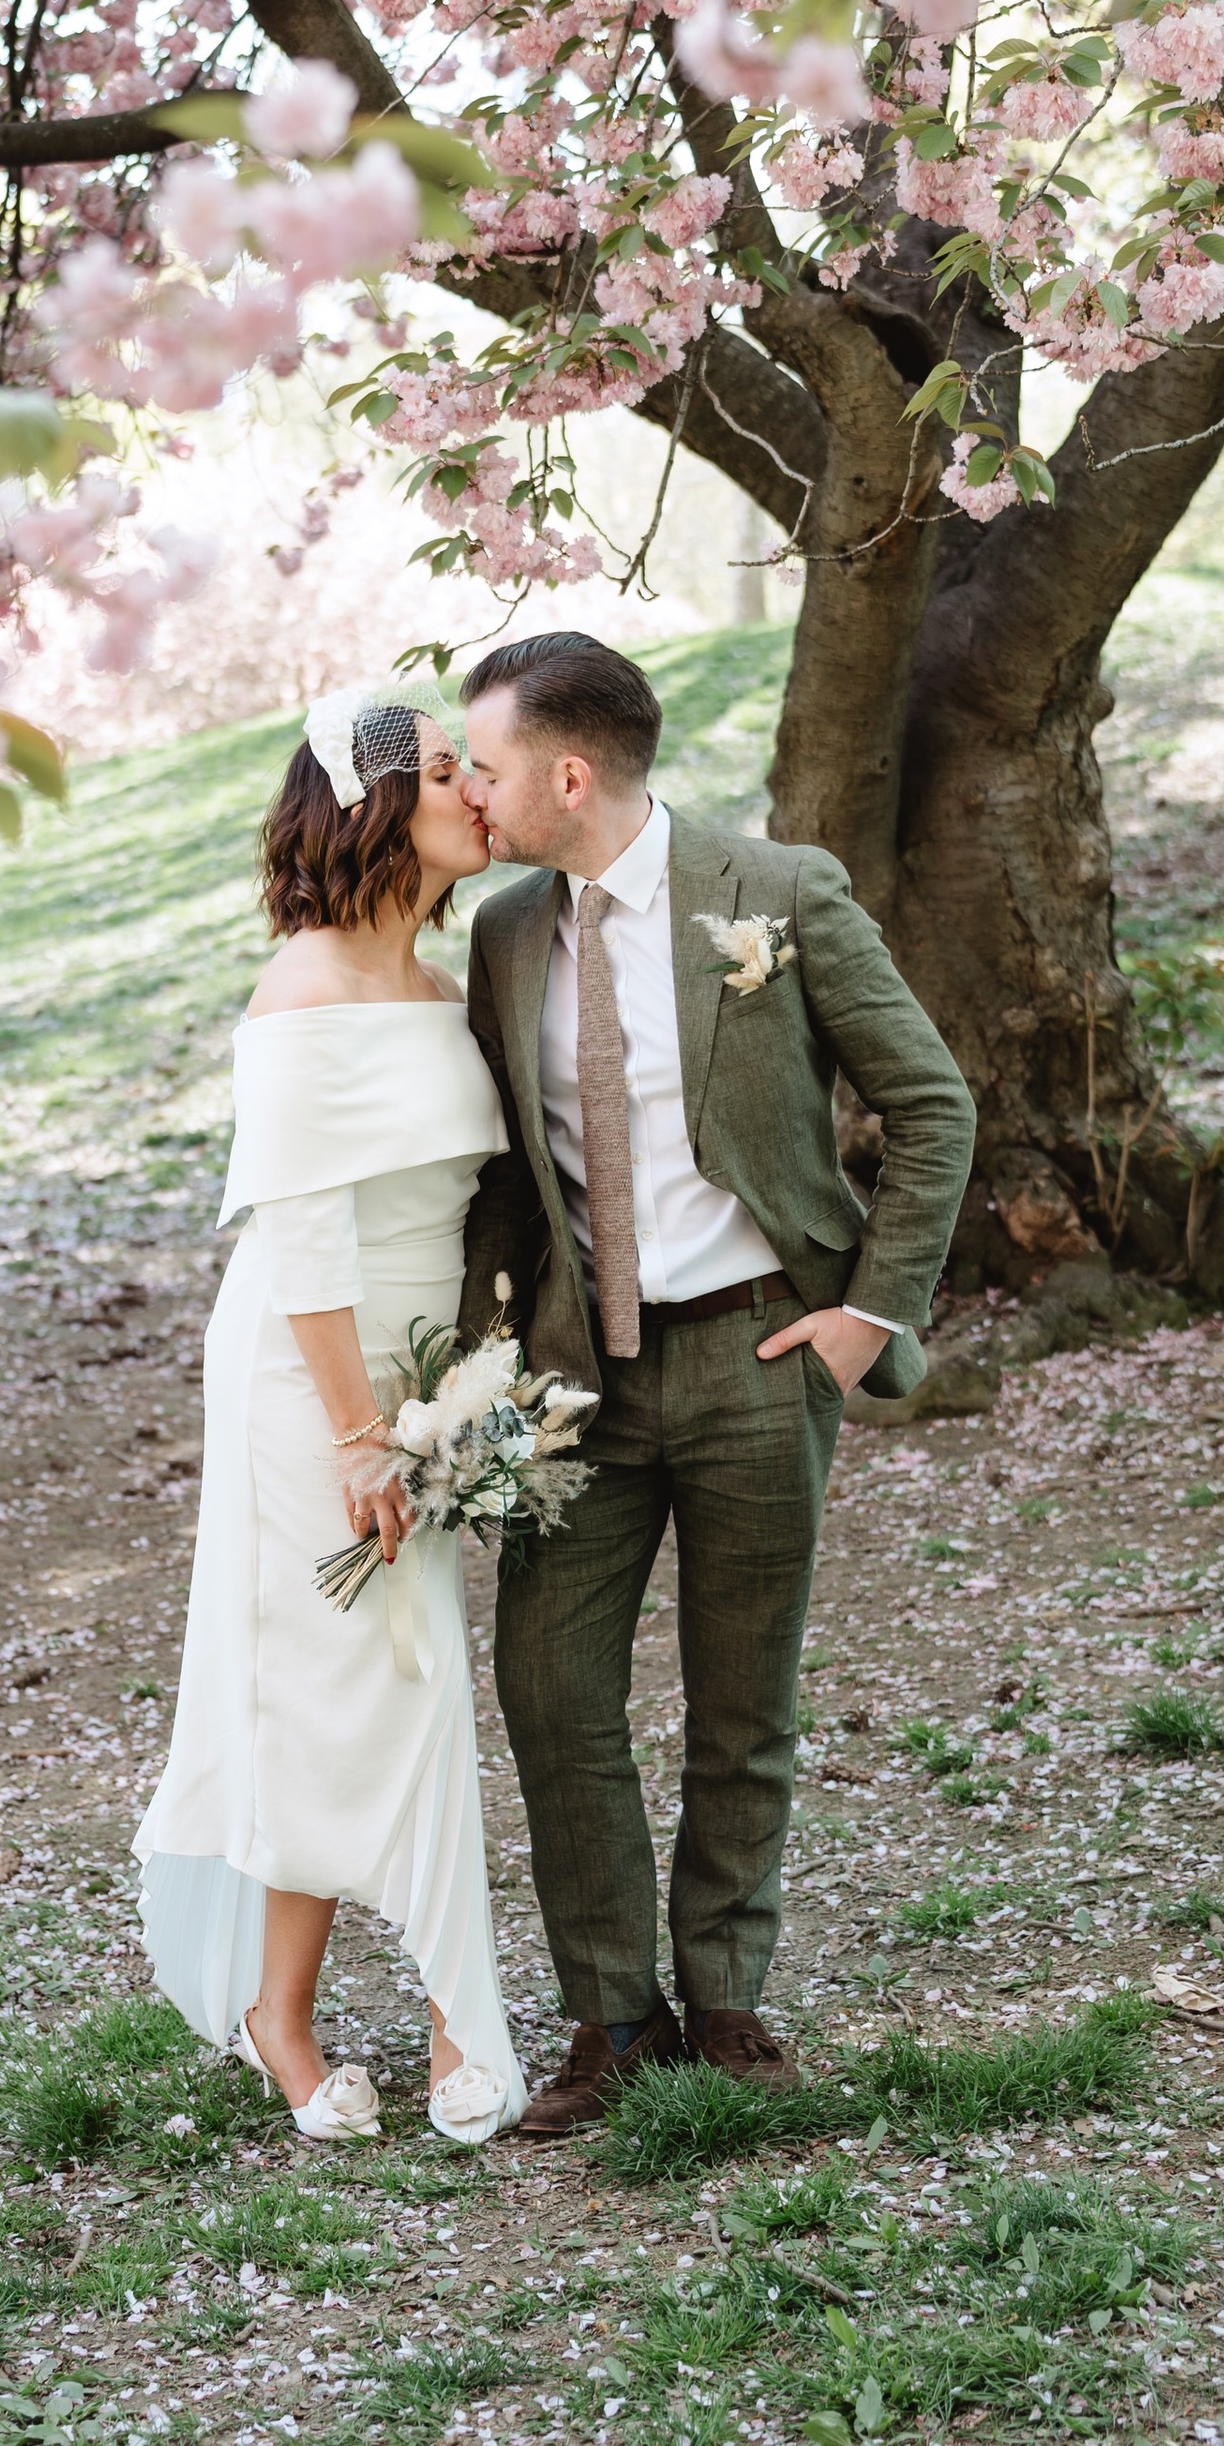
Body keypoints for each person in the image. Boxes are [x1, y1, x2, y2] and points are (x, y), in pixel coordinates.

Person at [454, 633, 974, 2140]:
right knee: (553, 1693)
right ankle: (612, 2017)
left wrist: (870, 1314)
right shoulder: (502, 937)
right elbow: (508, 1180)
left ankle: (726, 1996)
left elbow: (930, 1105)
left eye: (486, 769)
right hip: (576, 1383)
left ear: (568, 773)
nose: (471, 796)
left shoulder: (782, 895)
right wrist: (480, 1359)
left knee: (743, 1701)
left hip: (760, 1353)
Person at [134, 690, 529, 2146]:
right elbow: (299, 1238)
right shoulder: (299, 990)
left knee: (416, 1683)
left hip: (427, 1367)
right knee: (326, 1680)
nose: (474, 792)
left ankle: (448, 2026)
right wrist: (363, 1432)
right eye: (442, 772)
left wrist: (466, 1396)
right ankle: (279, 2020)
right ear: (368, 807)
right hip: (312, 1378)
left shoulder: (441, 987)